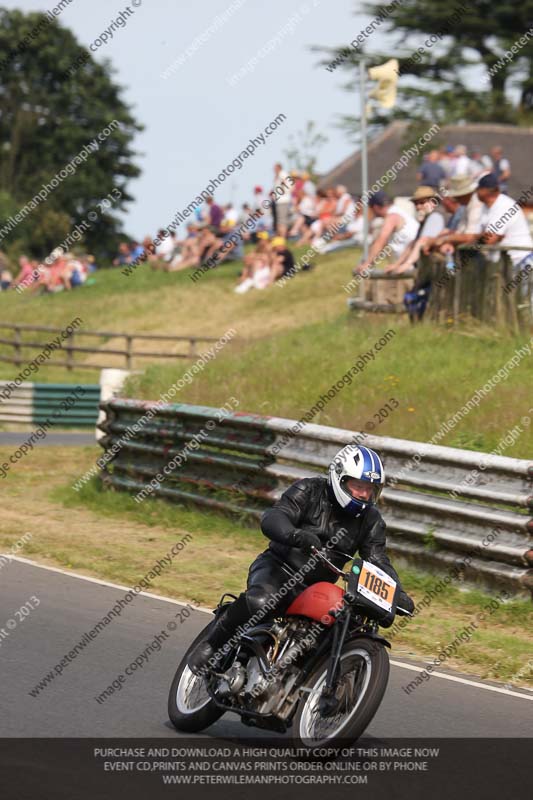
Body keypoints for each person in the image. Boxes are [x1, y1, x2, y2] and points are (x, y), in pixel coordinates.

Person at [188, 444, 414, 675]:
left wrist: (397, 592)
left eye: (370, 489)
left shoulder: (371, 520)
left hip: (317, 586)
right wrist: (295, 535)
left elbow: (377, 558)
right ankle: (211, 645)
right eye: (359, 486)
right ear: (340, 478)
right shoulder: (309, 489)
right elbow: (274, 517)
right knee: (261, 602)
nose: (365, 494)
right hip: (277, 567)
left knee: (342, 627)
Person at [476, 173, 533, 270]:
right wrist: (480, 236)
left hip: (522, 262)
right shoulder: (486, 207)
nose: (475, 192)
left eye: (477, 189)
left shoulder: (504, 205)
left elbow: (489, 239)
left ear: (484, 191)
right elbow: (483, 237)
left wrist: (476, 237)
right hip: (508, 265)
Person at [355, 190, 419, 274]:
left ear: (375, 207)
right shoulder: (398, 212)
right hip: (411, 262)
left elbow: (380, 241)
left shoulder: (392, 216)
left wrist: (367, 264)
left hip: (414, 265)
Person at [385, 186, 445, 274]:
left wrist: (406, 265)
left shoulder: (435, 217)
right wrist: (397, 264)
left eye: (421, 203)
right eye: (416, 204)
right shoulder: (426, 219)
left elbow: (422, 242)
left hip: (437, 271)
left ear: (433, 201)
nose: (418, 207)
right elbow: (413, 244)